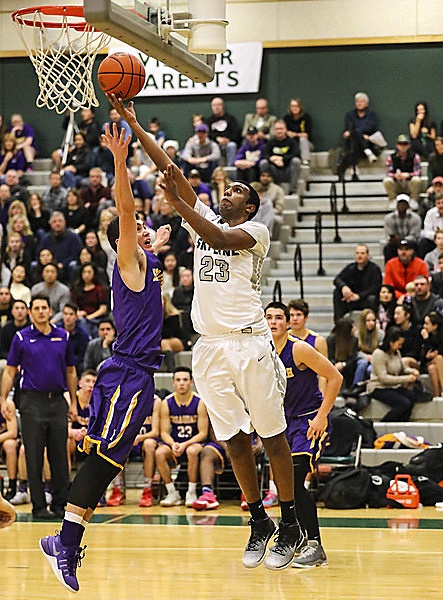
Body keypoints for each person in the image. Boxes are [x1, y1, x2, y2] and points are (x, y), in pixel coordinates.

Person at [112, 96, 303, 570]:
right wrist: (135, 125)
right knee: (233, 439)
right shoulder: (205, 218)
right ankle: (259, 520)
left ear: (250, 203)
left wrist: (177, 204)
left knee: (271, 434)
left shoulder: (254, 231)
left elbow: (215, 237)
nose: (228, 190)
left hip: (250, 343)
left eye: (237, 188)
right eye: (227, 187)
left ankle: (292, 521)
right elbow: (171, 168)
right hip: (210, 347)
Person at [38, 121, 171, 593]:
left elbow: (162, 229)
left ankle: (65, 541)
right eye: (139, 231)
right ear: (125, 243)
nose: (146, 231)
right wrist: (120, 158)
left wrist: (167, 221)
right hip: (128, 372)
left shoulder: (150, 265)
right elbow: (126, 209)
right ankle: (64, 544)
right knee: (101, 460)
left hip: (138, 374)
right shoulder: (130, 261)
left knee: (111, 461)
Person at [265, 302, 342, 568]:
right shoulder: (261, 352)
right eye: (268, 317)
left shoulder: (299, 348)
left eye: (279, 317)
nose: (273, 321)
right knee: (284, 485)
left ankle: (315, 545)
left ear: (289, 323)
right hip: (280, 426)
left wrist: (321, 416)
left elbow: (335, 377)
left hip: (308, 422)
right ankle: (295, 536)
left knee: (296, 482)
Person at [1, 293, 77, 519]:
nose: (41, 311)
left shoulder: (62, 336)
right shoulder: (21, 338)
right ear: (31, 312)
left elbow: (71, 371)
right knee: (33, 456)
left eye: (45, 307)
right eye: (37, 308)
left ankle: (61, 504)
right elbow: (10, 370)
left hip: (58, 402)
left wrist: (72, 402)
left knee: (59, 457)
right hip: (31, 401)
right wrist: (3, 398)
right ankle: (38, 507)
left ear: (50, 310)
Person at [156, 366, 208, 507]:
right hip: (175, 444)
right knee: (159, 453)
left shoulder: (200, 402)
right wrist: (173, 444)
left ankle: (191, 492)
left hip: (194, 443)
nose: (181, 383)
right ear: (173, 383)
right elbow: (164, 433)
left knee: (191, 451)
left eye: (185, 380)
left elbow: (203, 433)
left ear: (191, 382)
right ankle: (172, 492)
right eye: (178, 380)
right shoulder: (167, 402)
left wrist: (185, 444)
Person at [366, 326, 419, 422]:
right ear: (391, 342)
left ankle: (402, 422)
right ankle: (385, 423)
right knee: (404, 403)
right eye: (399, 344)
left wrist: (412, 371)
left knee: (412, 396)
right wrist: (406, 379)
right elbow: (383, 378)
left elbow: (403, 368)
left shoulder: (396, 352)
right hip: (379, 387)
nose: (400, 347)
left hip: (393, 386)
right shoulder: (379, 354)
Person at [333, 244, 382, 322]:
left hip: (365, 299)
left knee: (372, 298)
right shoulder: (350, 267)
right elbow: (337, 279)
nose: (359, 256)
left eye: (362, 253)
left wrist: (359, 296)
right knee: (337, 293)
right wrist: (344, 287)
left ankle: (371, 322)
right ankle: (339, 324)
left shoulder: (374, 269)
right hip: (351, 299)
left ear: (367, 255)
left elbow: (375, 288)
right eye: (357, 253)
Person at [37, 211, 83, 283]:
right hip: (50, 267)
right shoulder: (45, 238)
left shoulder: (74, 237)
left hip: (67, 267)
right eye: (54, 222)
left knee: (73, 265)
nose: (57, 224)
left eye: (60, 221)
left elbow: (76, 255)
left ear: (64, 222)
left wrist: (63, 264)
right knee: (34, 265)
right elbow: (40, 254)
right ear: (51, 224)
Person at [259, 120, 301, 195]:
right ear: (274, 130)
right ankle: (266, 189)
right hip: (273, 170)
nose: (279, 131)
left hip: (288, 170)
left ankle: (293, 190)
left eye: (281, 128)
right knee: (263, 163)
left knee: (296, 161)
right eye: (277, 129)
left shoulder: (292, 142)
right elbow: (264, 155)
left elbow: (296, 154)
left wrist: (282, 159)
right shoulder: (270, 142)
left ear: (285, 130)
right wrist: (273, 159)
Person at [343, 92, 378, 179]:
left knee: (355, 134)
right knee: (353, 138)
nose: (359, 103)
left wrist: (356, 133)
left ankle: (354, 166)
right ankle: (367, 152)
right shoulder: (349, 115)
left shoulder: (372, 115)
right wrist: (360, 135)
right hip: (354, 144)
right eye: (357, 101)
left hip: (369, 142)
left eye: (362, 101)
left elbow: (370, 127)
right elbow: (349, 126)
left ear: (366, 104)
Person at [67, 369, 97, 471]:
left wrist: (88, 433)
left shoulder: (100, 402)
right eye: (87, 381)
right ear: (80, 383)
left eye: (94, 382)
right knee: (67, 441)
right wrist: (75, 433)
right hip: (74, 441)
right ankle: (65, 483)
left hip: (91, 441)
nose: (91, 385)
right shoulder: (70, 399)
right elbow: (65, 429)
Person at [70, 262, 109, 337]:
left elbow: (103, 309)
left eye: (89, 272)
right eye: (84, 272)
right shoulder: (76, 288)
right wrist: (78, 313)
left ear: (94, 274)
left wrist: (89, 317)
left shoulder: (100, 289)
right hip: (81, 317)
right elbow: (74, 306)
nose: (86, 275)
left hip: (96, 318)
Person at [383, 135, 422, 203]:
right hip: (397, 183)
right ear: (397, 145)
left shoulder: (415, 156)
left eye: (405, 144)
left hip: (409, 183)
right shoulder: (391, 157)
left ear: (409, 145)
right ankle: (393, 202)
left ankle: (414, 201)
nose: (403, 146)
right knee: (387, 180)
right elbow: (388, 172)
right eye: (401, 144)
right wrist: (395, 175)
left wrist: (408, 175)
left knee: (417, 180)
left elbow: (418, 172)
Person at [383, 194, 421, 262]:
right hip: (395, 244)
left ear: (408, 205)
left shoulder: (416, 218)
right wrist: (398, 240)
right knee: (388, 247)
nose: (402, 206)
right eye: (400, 203)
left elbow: (415, 236)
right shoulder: (389, 218)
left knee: (417, 245)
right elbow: (390, 235)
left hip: (410, 242)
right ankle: (389, 269)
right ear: (396, 205)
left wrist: (401, 239)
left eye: (404, 203)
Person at [206, 97, 242, 167]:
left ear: (222, 106)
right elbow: (207, 134)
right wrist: (217, 138)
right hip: (215, 144)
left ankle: (230, 169)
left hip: (228, 143)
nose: (216, 107)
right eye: (214, 105)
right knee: (212, 146)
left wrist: (228, 140)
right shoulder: (209, 121)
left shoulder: (230, 119)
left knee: (232, 145)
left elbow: (237, 133)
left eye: (218, 105)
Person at [56, 302, 90, 376]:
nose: (68, 317)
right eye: (65, 314)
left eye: (71, 314)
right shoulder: (55, 331)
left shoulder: (82, 335)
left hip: (75, 366)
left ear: (76, 316)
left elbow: (82, 356)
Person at [283, 98, 313, 165]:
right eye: (292, 106)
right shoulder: (286, 118)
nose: (294, 108)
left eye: (296, 106)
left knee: (303, 139)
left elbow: (306, 134)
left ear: (300, 107)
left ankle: (305, 160)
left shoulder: (306, 117)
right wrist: (288, 133)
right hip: (292, 143)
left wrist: (295, 134)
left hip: (306, 144)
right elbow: (285, 131)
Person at [392, 301, 421, 368]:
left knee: (404, 361)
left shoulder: (416, 330)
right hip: (396, 359)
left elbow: (416, 351)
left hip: (412, 359)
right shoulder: (393, 329)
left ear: (407, 315)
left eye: (398, 314)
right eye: (394, 314)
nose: (395, 316)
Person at [420, 310, 443, 397]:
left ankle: (437, 395)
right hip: (426, 362)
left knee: (432, 368)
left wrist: (436, 352)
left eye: (426, 323)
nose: (424, 326)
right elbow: (422, 356)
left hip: (437, 363)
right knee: (438, 358)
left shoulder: (440, 335)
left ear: (435, 326)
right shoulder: (423, 334)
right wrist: (426, 339)